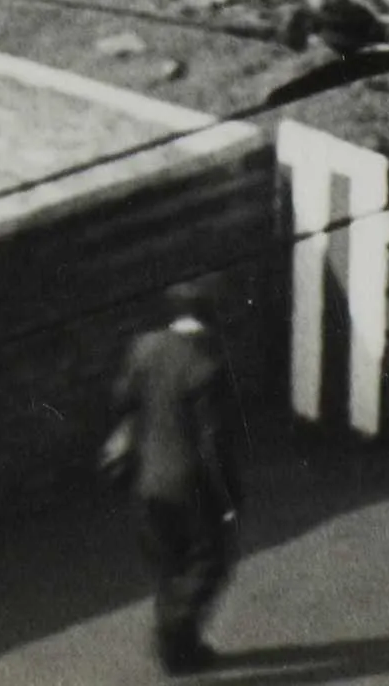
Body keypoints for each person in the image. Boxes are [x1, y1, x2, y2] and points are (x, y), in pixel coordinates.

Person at [102, 279, 241, 669]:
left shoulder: (143, 348)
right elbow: (214, 444)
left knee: (168, 565)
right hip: (190, 487)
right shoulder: (207, 366)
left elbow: (122, 400)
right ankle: (173, 635)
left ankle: (182, 654)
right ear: (209, 319)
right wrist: (229, 498)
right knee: (209, 562)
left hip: (147, 481)